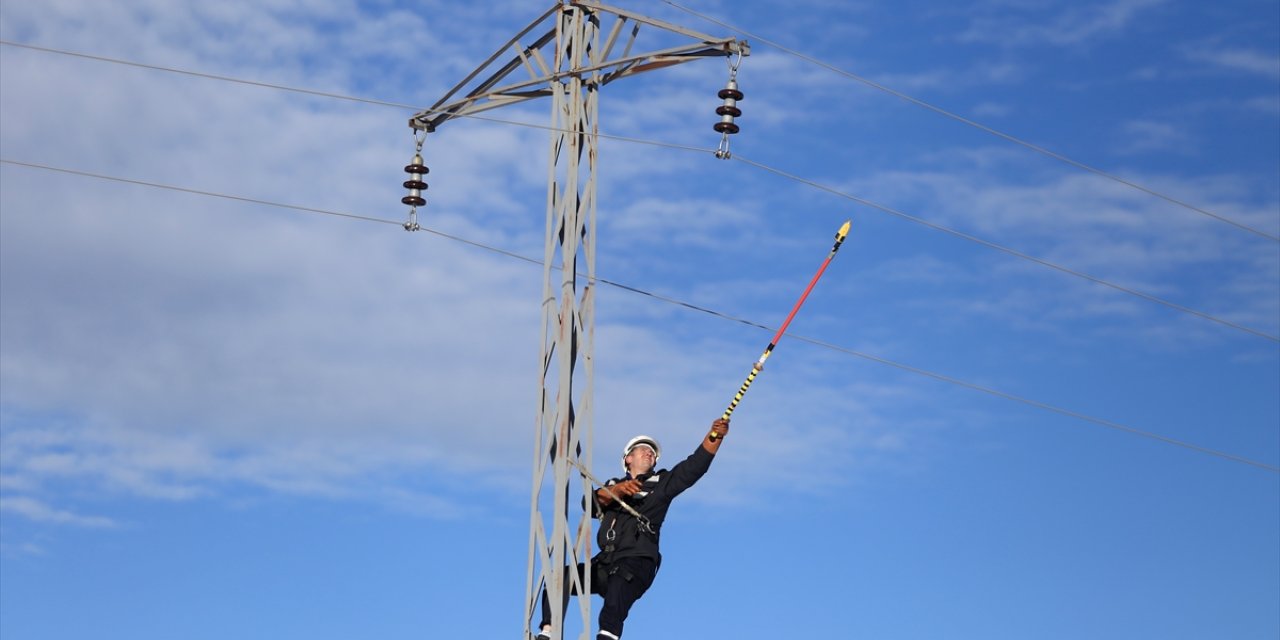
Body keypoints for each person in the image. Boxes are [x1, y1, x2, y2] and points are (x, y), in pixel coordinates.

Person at [535, 417, 730, 640]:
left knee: (617, 592)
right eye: (643, 449)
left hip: (636, 561)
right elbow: (588, 504)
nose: (650, 453)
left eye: (653, 453)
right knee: (558, 577)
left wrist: (715, 436)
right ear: (628, 458)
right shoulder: (611, 485)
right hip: (606, 561)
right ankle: (547, 633)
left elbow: (694, 467)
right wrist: (618, 491)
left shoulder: (661, 484)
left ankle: (607, 637)